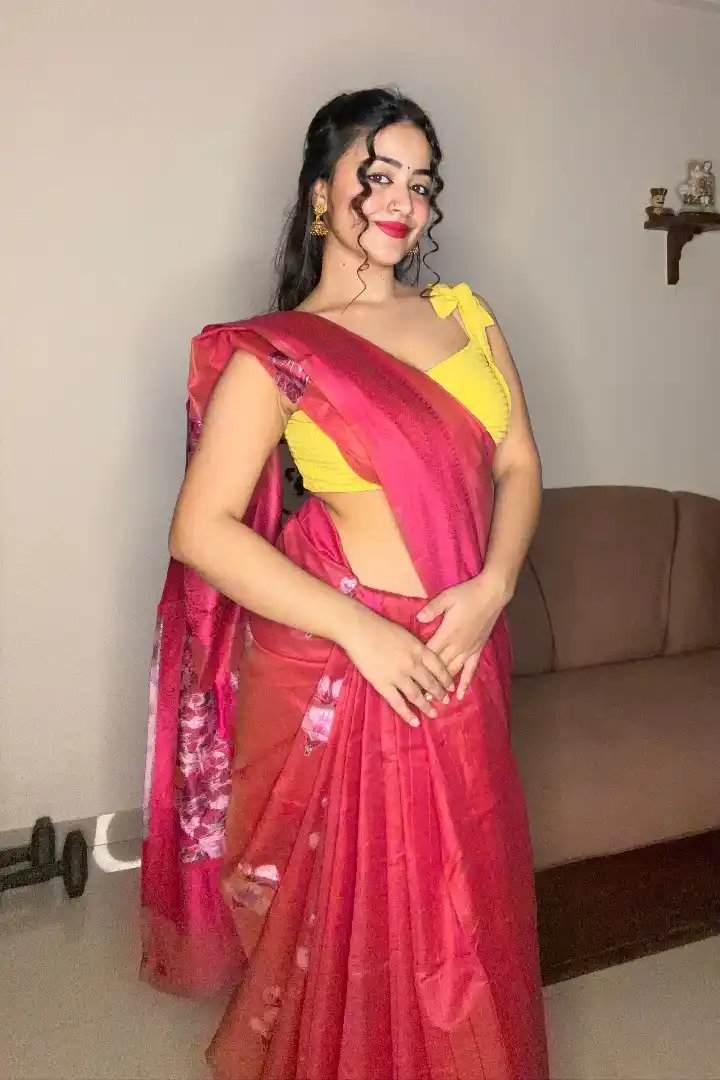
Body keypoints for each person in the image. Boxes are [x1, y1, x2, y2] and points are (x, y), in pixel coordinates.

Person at [140, 87, 548, 1080]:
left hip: (462, 650)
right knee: (361, 915)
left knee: (467, 903)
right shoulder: (280, 352)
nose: (404, 202)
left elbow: (519, 465)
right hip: (356, 662)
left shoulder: (465, 316)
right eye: (378, 177)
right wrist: (363, 633)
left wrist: (496, 585)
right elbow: (200, 529)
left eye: (422, 183)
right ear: (321, 194)